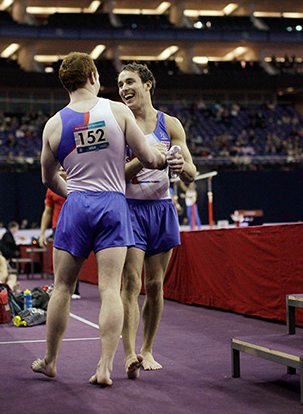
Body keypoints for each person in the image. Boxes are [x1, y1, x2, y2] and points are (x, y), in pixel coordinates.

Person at [30, 52, 166, 386]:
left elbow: (48, 180)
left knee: (62, 287)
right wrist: (163, 160)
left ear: (65, 84)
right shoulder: (117, 111)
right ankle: (105, 367)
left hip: (76, 203)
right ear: (94, 76)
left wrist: (74, 194)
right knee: (110, 289)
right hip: (113, 205)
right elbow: (147, 157)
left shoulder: (54, 125)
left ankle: (50, 361)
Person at [117, 62, 196, 378]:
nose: (124, 89)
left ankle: (147, 349)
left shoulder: (171, 124)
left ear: (148, 84)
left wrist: (178, 162)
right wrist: (146, 157)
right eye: (120, 84)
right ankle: (128, 354)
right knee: (132, 283)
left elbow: (191, 174)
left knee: (154, 284)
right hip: (130, 209)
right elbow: (113, 176)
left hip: (162, 210)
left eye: (130, 82)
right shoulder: (119, 124)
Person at [38, 168, 80, 298]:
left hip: (76, 225)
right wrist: (42, 233)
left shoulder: (77, 185)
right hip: (58, 227)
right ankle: (58, 287)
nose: (61, 173)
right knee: (59, 260)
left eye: (64, 170)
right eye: (59, 170)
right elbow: (47, 212)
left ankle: (75, 289)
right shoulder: (52, 188)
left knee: (75, 258)